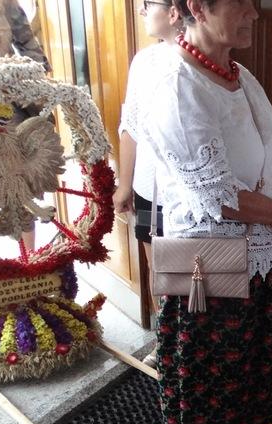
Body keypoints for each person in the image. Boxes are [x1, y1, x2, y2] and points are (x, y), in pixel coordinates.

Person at [140, 0, 272, 424]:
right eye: (242, 3)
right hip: (209, 260)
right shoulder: (177, 85)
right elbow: (215, 193)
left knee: (247, 358)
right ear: (197, 6)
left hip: (261, 248)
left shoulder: (240, 75)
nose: (254, 13)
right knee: (210, 363)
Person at [113, 0, 182, 367]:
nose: (140, 10)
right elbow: (131, 126)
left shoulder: (202, 59)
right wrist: (125, 184)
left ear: (174, 11)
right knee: (156, 265)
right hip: (148, 187)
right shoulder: (144, 61)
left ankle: (191, 341)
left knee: (191, 268)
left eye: (147, 3)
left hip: (187, 193)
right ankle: (165, 339)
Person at [0, 0, 50, 254]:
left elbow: (29, 46)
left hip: (7, 108)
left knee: (20, 187)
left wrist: (27, 81)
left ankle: (29, 263)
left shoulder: (4, 2)